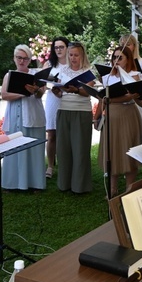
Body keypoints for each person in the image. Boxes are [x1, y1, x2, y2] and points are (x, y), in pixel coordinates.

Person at [95, 46, 142, 197]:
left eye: (120, 57)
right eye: (114, 58)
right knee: (112, 150)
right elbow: (102, 99)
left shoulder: (135, 76)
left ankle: (130, 188)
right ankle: (112, 188)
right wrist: (96, 116)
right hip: (111, 116)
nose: (116, 61)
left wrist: (129, 97)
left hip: (129, 114)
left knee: (130, 149)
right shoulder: (108, 77)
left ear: (128, 59)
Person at [0, 45, 47, 191]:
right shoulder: (9, 75)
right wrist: (23, 94)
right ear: (14, 58)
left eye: (25, 58)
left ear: (29, 60)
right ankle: (13, 183)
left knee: (34, 148)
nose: (21, 61)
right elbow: (4, 95)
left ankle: (35, 183)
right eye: (19, 58)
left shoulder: (37, 74)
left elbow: (41, 94)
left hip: (33, 113)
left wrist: (36, 91)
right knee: (14, 147)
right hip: (15, 114)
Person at [55, 42, 94, 193]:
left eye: (76, 55)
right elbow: (59, 91)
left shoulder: (88, 72)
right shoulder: (62, 71)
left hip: (81, 111)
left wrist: (76, 90)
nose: (73, 58)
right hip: (64, 110)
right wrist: (57, 92)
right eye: (70, 55)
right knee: (63, 149)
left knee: (80, 149)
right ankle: (64, 184)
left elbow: (88, 92)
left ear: (82, 55)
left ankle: (80, 186)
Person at [43, 36, 69, 179]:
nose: (58, 50)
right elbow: (41, 81)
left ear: (67, 48)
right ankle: (50, 166)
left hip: (67, 100)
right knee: (51, 134)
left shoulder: (72, 64)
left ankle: (65, 164)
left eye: (61, 47)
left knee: (65, 135)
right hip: (53, 99)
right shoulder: (49, 64)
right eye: (56, 47)